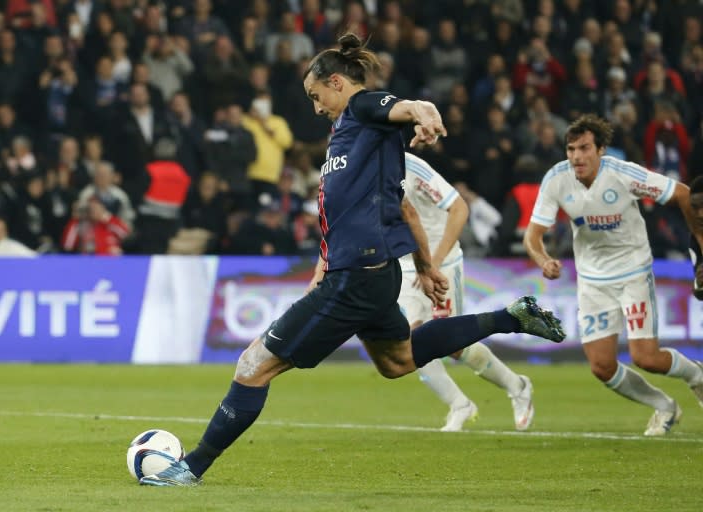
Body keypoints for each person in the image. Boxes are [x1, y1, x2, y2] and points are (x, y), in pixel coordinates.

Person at [139, 34, 565, 487]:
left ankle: (190, 468)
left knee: (253, 365)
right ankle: (510, 316)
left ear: (337, 82)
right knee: (398, 361)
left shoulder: (362, 109)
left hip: (356, 277)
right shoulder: (347, 139)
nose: (316, 106)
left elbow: (413, 106)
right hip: (373, 274)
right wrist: (422, 264)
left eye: (316, 95)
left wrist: (426, 118)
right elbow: (400, 207)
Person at [523, 114, 703, 437]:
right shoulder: (557, 179)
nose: (577, 156)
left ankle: (697, 377)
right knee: (601, 367)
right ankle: (664, 406)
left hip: (633, 271)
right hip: (592, 280)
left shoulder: (623, 174)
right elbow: (532, 235)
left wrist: (700, 244)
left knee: (645, 357)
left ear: (601, 150)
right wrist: (543, 259)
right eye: (571, 149)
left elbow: (682, 194)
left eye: (584, 148)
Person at [400, 152, 535, 432]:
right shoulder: (361, 166)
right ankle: (459, 404)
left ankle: (517, 386)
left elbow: (459, 208)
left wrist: (432, 264)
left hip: (440, 260)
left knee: (453, 346)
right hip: (404, 264)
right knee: (410, 344)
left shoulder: (414, 168)